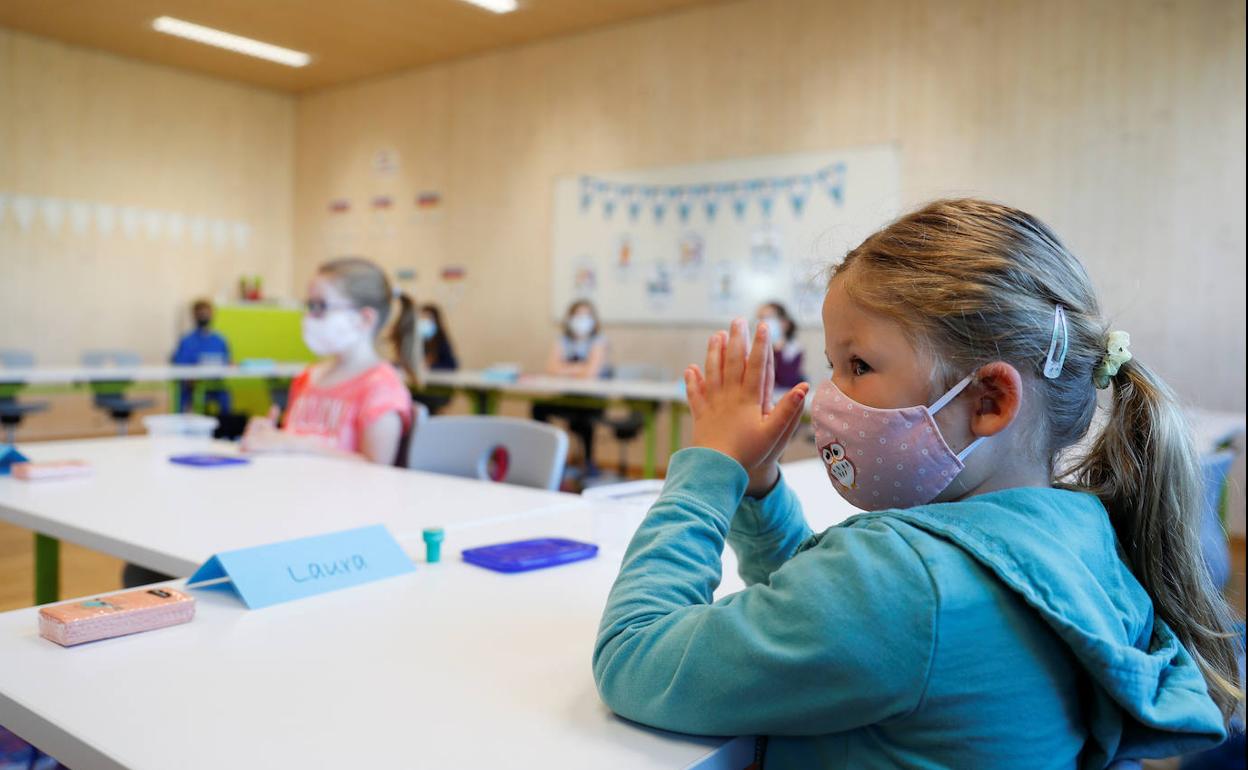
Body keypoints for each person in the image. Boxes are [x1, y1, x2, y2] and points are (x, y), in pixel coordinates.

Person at [594, 200, 1238, 767]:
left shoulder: (903, 583)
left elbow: (635, 655)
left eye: (860, 365)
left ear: (988, 399)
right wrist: (759, 491)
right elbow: (822, 620)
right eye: (832, 366)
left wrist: (712, 466)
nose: (829, 397)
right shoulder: (1081, 537)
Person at [241, 256, 415, 465]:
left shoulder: (381, 387)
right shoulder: (308, 377)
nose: (308, 316)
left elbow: (376, 467)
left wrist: (294, 445)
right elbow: (292, 444)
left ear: (365, 319)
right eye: (309, 305)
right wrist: (269, 436)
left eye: (320, 306)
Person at [531, 300, 610, 476]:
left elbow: (591, 372)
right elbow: (551, 368)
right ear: (570, 318)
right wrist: (580, 368)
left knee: (584, 417)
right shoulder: (563, 340)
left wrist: (565, 368)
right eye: (577, 315)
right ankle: (546, 455)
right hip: (568, 397)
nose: (582, 320)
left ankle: (588, 463)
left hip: (593, 398)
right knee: (539, 407)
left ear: (593, 319)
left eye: (586, 315)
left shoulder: (599, 340)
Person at [170, 298, 231, 414]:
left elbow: (226, 362)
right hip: (192, 386)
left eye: (206, 313)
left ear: (212, 314)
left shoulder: (220, 340)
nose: (204, 316)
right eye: (200, 313)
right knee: (188, 393)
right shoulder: (187, 340)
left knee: (225, 395)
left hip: (215, 384)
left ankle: (224, 426)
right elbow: (180, 367)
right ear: (194, 315)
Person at [412, 303, 457, 415]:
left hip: (438, 389)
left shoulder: (441, 341)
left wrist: (431, 366)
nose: (424, 321)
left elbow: (452, 365)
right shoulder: (416, 341)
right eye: (422, 318)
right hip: (418, 387)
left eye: (428, 318)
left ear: (436, 320)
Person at [756, 301, 805, 388]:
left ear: (784, 323)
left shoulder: (794, 348)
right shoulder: (756, 346)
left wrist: (777, 351)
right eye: (761, 318)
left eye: (768, 318)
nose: (763, 322)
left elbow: (786, 380)